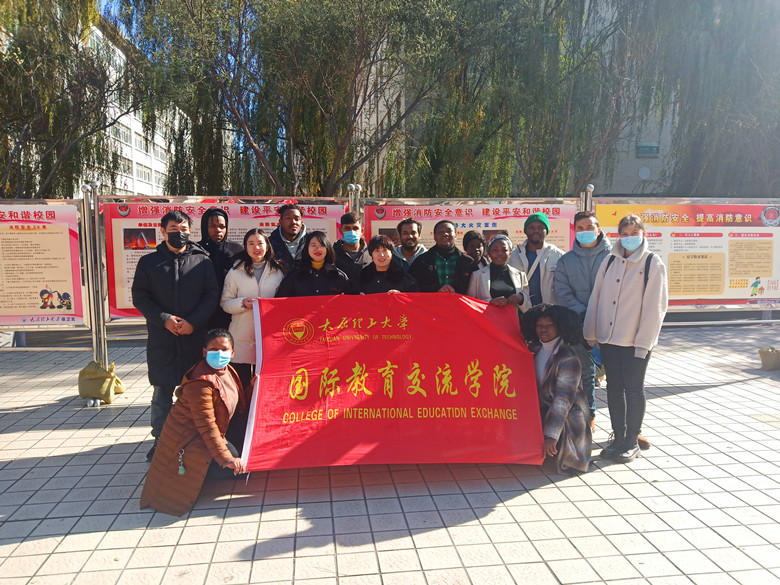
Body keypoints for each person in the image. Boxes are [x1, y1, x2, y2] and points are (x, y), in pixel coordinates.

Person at [132, 210, 220, 461]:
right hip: (162, 338)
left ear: (190, 231)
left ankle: (195, 439)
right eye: (173, 229)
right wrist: (164, 320)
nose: (179, 234)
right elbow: (140, 297)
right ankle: (160, 440)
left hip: (194, 337)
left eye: (183, 230)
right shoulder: (149, 262)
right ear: (163, 231)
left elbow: (211, 295)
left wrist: (193, 322)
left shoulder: (202, 261)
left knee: (195, 391)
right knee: (162, 391)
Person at [584, 214, 668, 464]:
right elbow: (596, 298)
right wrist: (591, 333)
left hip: (635, 341)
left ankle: (632, 440)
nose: (629, 238)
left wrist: (644, 343)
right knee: (614, 388)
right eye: (625, 233)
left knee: (633, 389)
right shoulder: (610, 260)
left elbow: (656, 307)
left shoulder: (652, 263)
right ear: (618, 235)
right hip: (609, 339)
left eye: (634, 233)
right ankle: (618, 437)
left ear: (643, 234)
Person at [140, 329, 246, 517]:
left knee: (244, 447)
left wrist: (252, 387)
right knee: (233, 459)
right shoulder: (200, 382)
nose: (219, 354)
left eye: (224, 349)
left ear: (233, 352)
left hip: (211, 433)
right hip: (189, 441)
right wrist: (226, 458)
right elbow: (206, 426)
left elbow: (237, 405)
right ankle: (206, 472)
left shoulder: (228, 371)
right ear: (204, 352)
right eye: (213, 349)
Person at [553, 210, 610, 429]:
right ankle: (590, 417)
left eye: (589, 227)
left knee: (620, 377)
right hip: (578, 323)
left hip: (611, 324)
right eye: (580, 228)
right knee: (585, 373)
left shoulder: (614, 257)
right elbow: (562, 292)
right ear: (574, 231)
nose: (585, 231)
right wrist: (585, 315)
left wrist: (600, 315)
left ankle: (627, 428)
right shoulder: (565, 261)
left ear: (599, 230)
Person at [522, 304, 592, 474]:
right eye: (539, 325)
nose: (543, 330)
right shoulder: (534, 349)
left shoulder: (568, 358)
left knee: (555, 461)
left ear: (560, 327)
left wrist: (551, 436)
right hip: (543, 410)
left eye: (549, 326)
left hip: (567, 418)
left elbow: (562, 401)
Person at [220, 229, 285, 388]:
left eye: (260, 243)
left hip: (268, 337)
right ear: (245, 247)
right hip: (241, 336)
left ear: (267, 246)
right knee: (241, 385)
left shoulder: (278, 272)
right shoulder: (236, 272)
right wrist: (242, 303)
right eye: (251, 243)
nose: (256, 248)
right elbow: (225, 303)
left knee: (263, 386)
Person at [198, 208, 244, 330]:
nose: (217, 230)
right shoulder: (196, 251)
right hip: (203, 313)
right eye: (212, 226)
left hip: (231, 312)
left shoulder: (237, 250)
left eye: (222, 226)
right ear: (205, 227)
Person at [508, 212, 564, 306]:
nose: (536, 231)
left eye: (540, 227)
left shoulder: (558, 255)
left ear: (547, 231)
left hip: (548, 311)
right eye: (531, 227)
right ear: (525, 230)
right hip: (521, 310)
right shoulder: (514, 255)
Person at [409, 220, 477, 294]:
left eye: (449, 231)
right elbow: (413, 289)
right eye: (440, 232)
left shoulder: (468, 263)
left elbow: (477, 290)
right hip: (431, 302)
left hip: (460, 302)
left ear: (455, 235)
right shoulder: (421, 262)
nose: (445, 234)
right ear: (434, 237)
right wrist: (436, 290)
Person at [275, 231, 351, 297]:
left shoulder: (339, 276)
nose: (318, 249)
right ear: (307, 248)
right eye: (313, 245)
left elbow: (351, 302)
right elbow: (281, 302)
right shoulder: (295, 277)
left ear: (327, 248)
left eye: (322, 245)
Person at [466, 235, 531, 312]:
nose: (500, 253)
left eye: (504, 250)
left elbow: (528, 307)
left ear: (510, 253)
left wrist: (521, 299)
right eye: (495, 250)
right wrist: (490, 302)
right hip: (487, 319)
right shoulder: (477, 275)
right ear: (489, 253)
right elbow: (470, 303)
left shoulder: (520, 275)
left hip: (512, 319)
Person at [334, 212, 371, 293]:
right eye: (347, 228)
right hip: (340, 300)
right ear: (341, 231)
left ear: (362, 231)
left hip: (366, 299)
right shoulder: (332, 254)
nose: (352, 232)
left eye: (355, 228)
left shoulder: (371, 253)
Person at [269, 203, 307, 268]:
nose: (293, 222)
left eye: (297, 219)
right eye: (288, 218)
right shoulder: (269, 244)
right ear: (280, 222)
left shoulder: (310, 242)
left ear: (301, 222)